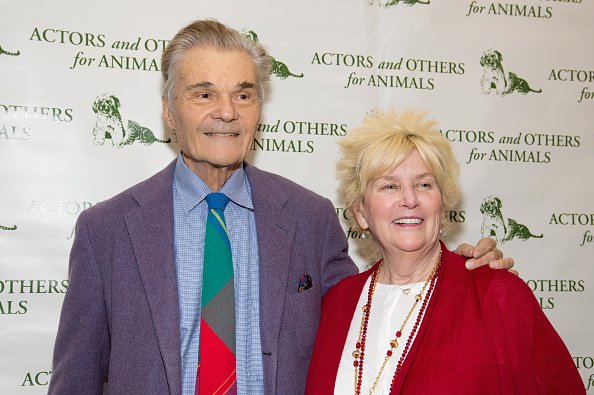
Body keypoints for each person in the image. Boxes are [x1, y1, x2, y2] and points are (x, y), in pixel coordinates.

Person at [48, 20, 511, 395]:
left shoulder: (309, 218)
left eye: (244, 94)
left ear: (258, 111)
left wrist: (458, 276)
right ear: (170, 112)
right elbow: (76, 379)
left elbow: (372, 313)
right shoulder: (106, 230)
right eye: (204, 93)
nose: (227, 111)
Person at [305, 110, 584, 394]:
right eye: (389, 186)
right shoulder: (337, 302)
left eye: (424, 184)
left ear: (443, 202)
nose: (410, 199)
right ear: (361, 212)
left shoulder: (496, 294)